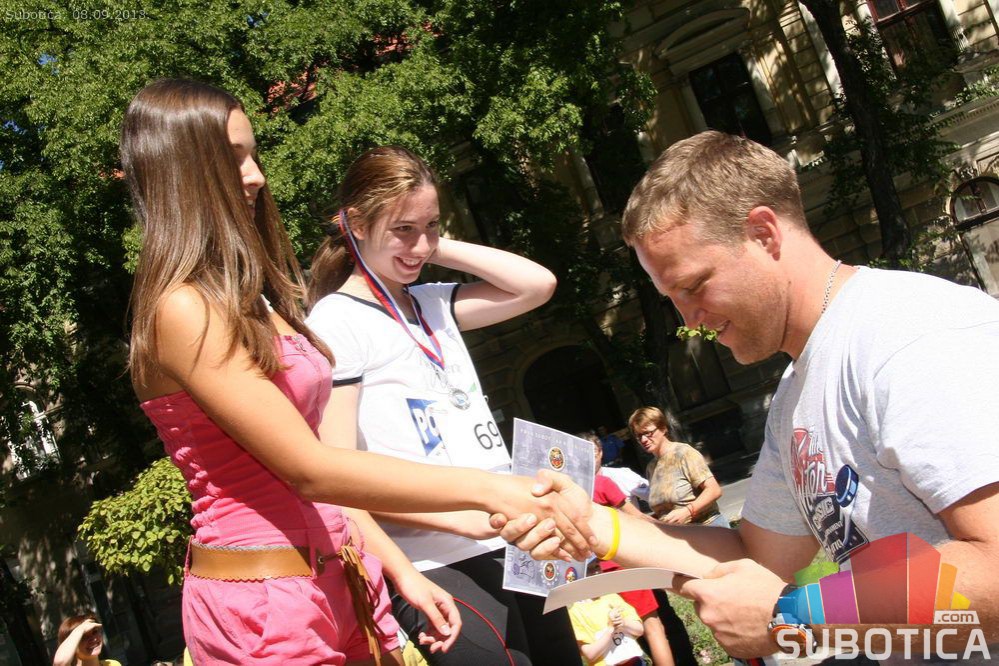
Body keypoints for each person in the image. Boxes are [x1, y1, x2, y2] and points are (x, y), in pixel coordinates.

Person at [122, 80, 589, 665]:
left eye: (253, 154)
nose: (256, 176)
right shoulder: (183, 307)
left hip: (340, 575)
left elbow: (536, 285)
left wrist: (397, 572)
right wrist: (496, 490)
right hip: (265, 598)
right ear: (181, 168)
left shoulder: (257, 300)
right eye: (234, 157)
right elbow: (313, 468)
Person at [494, 131, 999, 659]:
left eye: (694, 286)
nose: (689, 319)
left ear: (763, 233)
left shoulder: (913, 336)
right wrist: (594, 524)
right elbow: (756, 554)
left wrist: (796, 614)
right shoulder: (796, 391)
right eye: (671, 299)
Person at [304, 145, 581, 665]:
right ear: (357, 224)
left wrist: (428, 244)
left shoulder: (432, 300)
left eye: (430, 225)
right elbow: (337, 478)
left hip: (511, 538)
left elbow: (537, 284)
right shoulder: (335, 321)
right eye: (403, 229)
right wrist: (460, 519)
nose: (420, 244)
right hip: (433, 560)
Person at [580, 431, 676, 666]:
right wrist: (668, 529)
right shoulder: (603, 483)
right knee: (653, 627)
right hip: (620, 565)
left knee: (613, 633)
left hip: (592, 573)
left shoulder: (569, 492)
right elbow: (635, 517)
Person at [628, 407, 728, 528]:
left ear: (663, 428)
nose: (644, 439)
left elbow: (714, 490)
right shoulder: (651, 467)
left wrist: (687, 511)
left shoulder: (684, 453)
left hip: (708, 528)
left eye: (648, 433)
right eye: (639, 436)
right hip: (679, 533)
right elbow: (667, 507)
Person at [569, 563, 646, 666]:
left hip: (634, 662)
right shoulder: (575, 611)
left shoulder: (612, 597)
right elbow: (590, 655)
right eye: (589, 570)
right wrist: (610, 629)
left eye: (597, 566)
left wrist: (623, 622)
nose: (596, 572)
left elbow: (639, 630)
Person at [52, 614, 119, 666]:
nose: (93, 639)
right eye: (83, 636)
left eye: (94, 632)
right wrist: (81, 629)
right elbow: (60, 663)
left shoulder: (112, 664)